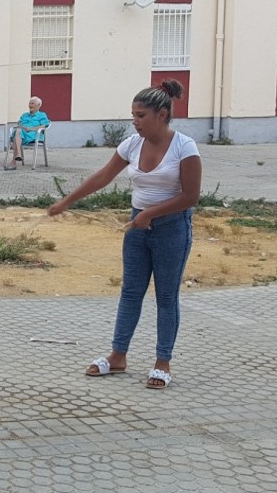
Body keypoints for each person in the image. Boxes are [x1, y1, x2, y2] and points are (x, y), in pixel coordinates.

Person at [48, 80, 200, 389]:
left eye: (141, 115)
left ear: (161, 114)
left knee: (166, 297)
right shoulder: (132, 144)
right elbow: (102, 176)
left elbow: (191, 196)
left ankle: (162, 362)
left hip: (172, 229)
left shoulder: (185, 147)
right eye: (133, 115)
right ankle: (118, 355)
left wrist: (151, 214)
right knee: (130, 292)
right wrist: (66, 201)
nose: (135, 122)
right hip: (136, 229)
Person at [4, 97, 50, 170]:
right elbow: (19, 123)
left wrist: (31, 129)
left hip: (34, 135)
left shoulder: (42, 115)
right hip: (22, 133)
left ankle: (14, 162)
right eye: (29, 103)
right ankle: (18, 155)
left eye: (32, 103)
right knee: (18, 132)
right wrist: (22, 127)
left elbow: (44, 125)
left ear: (38, 105)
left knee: (17, 134)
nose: (30, 105)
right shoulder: (25, 115)